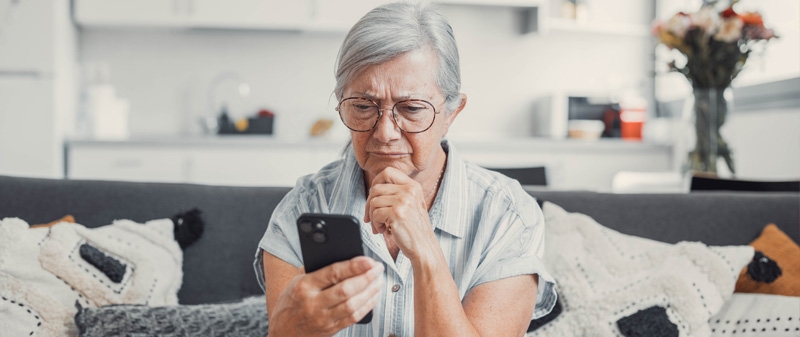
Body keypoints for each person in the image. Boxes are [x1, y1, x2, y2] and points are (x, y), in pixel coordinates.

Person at [254, 2, 556, 336]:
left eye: (412, 108)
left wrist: (426, 251)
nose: (384, 132)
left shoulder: (509, 217)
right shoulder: (302, 209)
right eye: (363, 106)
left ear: (452, 113)